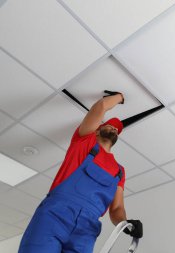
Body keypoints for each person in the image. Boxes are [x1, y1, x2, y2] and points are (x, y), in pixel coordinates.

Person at [18, 91, 143, 253]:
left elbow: (117, 208)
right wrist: (120, 96)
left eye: (116, 129)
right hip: (54, 215)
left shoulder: (120, 171)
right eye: (108, 125)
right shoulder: (84, 141)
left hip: (87, 229)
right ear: (96, 131)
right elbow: (101, 106)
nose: (113, 127)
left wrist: (126, 224)